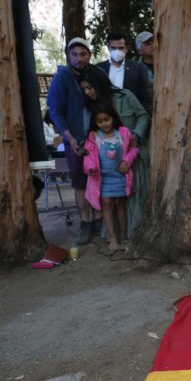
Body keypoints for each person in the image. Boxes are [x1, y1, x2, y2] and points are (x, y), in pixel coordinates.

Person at [79, 66, 149, 237]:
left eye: (89, 87)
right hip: (107, 165)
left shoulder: (125, 95)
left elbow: (143, 115)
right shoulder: (90, 107)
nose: (87, 92)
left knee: (134, 196)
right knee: (112, 201)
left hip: (133, 157)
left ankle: (136, 234)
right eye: (84, 89)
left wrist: (136, 134)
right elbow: (87, 135)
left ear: (99, 83)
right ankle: (116, 236)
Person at [47, 37, 99, 245]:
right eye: (74, 54)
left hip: (97, 137)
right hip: (75, 139)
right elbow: (56, 111)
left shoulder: (96, 74)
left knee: (99, 179)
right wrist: (69, 137)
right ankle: (85, 223)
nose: (79, 58)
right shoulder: (62, 78)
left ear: (89, 54)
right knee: (80, 183)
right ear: (68, 55)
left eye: (83, 54)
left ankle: (100, 222)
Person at [83, 103, 139, 252]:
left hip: (120, 177)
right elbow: (88, 157)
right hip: (102, 179)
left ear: (113, 118)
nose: (104, 124)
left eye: (106, 119)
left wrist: (127, 161)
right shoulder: (94, 137)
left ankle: (123, 237)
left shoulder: (123, 133)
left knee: (120, 204)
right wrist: (90, 168)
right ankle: (113, 239)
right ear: (95, 123)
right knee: (106, 203)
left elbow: (133, 150)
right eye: (99, 121)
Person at [97, 31, 153, 113]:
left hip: (131, 120)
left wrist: (135, 115)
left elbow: (145, 97)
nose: (117, 51)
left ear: (127, 48)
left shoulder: (138, 68)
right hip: (106, 120)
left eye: (121, 48)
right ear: (108, 47)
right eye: (113, 48)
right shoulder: (99, 68)